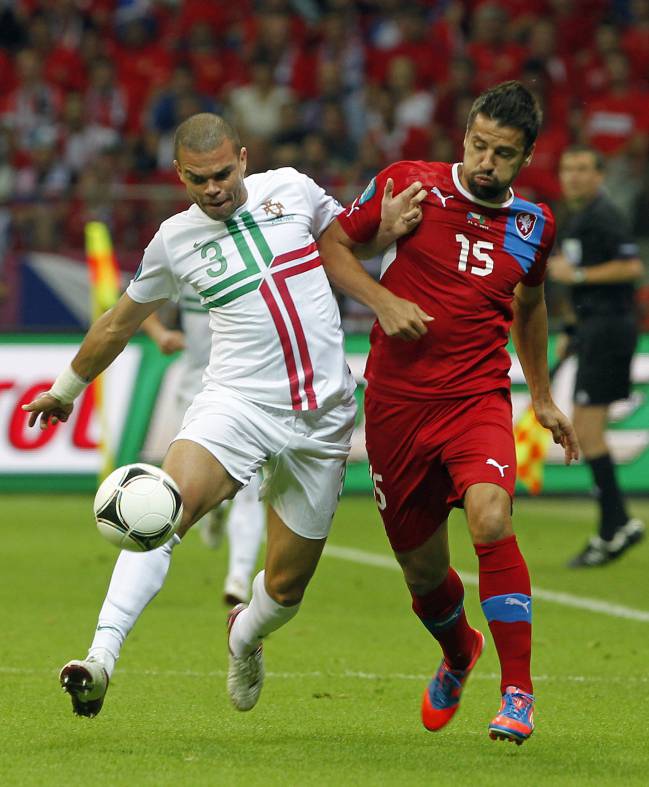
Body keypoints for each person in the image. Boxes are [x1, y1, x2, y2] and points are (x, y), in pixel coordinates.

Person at [22, 113, 426, 718]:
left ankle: (245, 635)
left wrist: (384, 230)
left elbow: (347, 243)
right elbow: (118, 323)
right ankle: (99, 659)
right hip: (236, 404)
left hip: (324, 419)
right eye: (197, 180)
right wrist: (66, 388)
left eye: (222, 174)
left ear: (242, 158)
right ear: (179, 176)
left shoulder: (291, 187)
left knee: (286, 590)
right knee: (160, 510)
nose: (213, 189)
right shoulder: (173, 239)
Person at [318, 81, 579, 746]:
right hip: (397, 406)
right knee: (424, 573)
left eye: (504, 153)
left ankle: (517, 692)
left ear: (525, 159)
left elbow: (529, 304)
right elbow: (332, 248)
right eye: (479, 145)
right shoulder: (408, 184)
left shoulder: (534, 224)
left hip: (475, 397)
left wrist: (542, 395)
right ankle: (459, 651)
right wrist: (380, 298)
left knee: (491, 514)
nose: (488, 161)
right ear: (464, 134)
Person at [548, 145, 645, 568]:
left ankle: (616, 526)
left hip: (609, 330)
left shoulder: (605, 216)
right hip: (593, 329)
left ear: (599, 175)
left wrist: (579, 275)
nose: (573, 176)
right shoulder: (581, 218)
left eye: (583, 169)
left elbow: (631, 268)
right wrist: (571, 329)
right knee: (587, 431)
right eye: (568, 168)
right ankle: (613, 525)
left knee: (588, 431)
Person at [141, 296, 265, 606]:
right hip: (195, 393)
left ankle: (238, 577)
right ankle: (217, 510)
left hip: (245, 393)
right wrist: (160, 334)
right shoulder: (184, 259)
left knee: (250, 487)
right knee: (197, 488)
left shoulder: (262, 258)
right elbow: (139, 302)